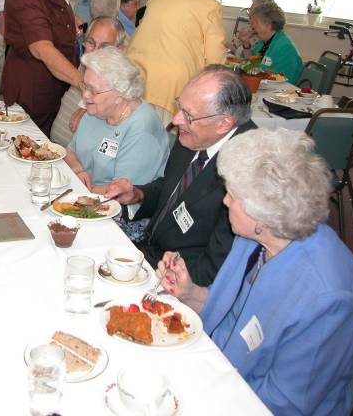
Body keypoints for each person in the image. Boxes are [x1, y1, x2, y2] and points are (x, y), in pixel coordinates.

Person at [158, 128, 353, 415]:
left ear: (260, 214)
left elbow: (285, 404)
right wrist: (191, 293)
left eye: (231, 194)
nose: (225, 201)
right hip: (214, 372)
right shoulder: (256, 238)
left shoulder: (327, 296)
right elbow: (232, 316)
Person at [105, 66, 255, 284]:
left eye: (188, 114)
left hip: (179, 277)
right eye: (179, 107)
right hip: (147, 249)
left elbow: (216, 267)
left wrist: (155, 276)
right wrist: (138, 194)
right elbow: (172, 188)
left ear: (224, 123)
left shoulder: (248, 171)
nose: (176, 120)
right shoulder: (195, 134)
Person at [64, 47, 168, 241]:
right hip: (82, 197)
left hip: (118, 218)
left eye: (93, 90)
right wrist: (78, 170)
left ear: (120, 94)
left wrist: (77, 193)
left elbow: (121, 192)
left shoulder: (142, 127)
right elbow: (69, 152)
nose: (85, 95)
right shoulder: (96, 110)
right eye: (84, 86)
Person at [1, 0, 82, 136]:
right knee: (30, 146)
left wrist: (70, 22)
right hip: (32, 88)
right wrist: (84, 84)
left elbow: (55, 7)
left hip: (55, 84)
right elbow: (41, 48)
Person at [126, 0, 226, 127]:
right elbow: (215, 55)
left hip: (135, 74)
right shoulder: (208, 5)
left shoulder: (156, 0)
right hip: (172, 82)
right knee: (163, 137)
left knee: (137, 130)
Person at [49, 0, 125, 147]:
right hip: (56, 146)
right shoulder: (85, 63)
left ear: (119, 50)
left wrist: (88, 107)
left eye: (104, 47)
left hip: (79, 159)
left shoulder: (119, 79)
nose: (95, 51)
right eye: (91, 42)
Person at [236, 0, 303, 84]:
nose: (252, 26)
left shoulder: (284, 46)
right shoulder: (264, 43)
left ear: (268, 24)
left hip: (281, 91)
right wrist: (246, 43)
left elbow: (277, 80)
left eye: (255, 22)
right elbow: (251, 67)